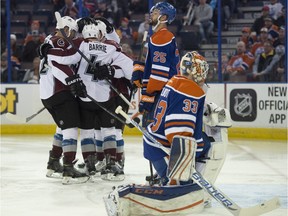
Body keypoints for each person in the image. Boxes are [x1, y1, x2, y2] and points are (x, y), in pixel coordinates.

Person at [104, 51, 232, 215]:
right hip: (164, 146)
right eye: (201, 69)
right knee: (176, 186)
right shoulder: (191, 89)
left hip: (156, 140)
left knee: (205, 145)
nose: (203, 74)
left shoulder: (175, 81)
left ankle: (167, 179)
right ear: (194, 70)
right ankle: (126, 196)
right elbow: (178, 131)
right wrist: (191, 153)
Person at [45, 19, 133, 181]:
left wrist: (47, 51)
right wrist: (112, 71)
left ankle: (89, 166)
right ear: (100, 34)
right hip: (105, 97)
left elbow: (64, 58)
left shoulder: (80, 45)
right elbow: (130, 67)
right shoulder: (112, 46)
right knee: (109, 132)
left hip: (84, 98)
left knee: (87, 132)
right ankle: (112, 164)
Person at [38, 15, 89, 185]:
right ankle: (68, 168)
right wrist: (73, 80)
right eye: (72, 32)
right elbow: (63, 59)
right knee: (70, 129)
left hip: (47, 94)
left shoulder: (48, 40)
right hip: (60, 92)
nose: (73, 36)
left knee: (62, 127)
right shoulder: (59, 41)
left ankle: (53, 163)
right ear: (66, 29)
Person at [132, 1, 180, 128]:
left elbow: (159, 75)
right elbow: (155, 66)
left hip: (160, 94)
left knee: (152, 136)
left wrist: (147, 96)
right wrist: (141, 71)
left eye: (155, 13)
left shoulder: (162, 37)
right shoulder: (159, 36)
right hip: (164, 92)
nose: (151, 15)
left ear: (163, 17)